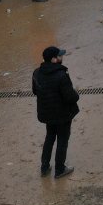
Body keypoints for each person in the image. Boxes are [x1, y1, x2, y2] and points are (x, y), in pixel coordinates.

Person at [32, 46, 78, 178]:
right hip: (62, 114)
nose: (61, 57)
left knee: (50, 137)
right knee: (62, 140)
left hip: (47, 114)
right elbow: (70, 97)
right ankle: (60, 169)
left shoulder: (37, 72)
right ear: (53, 60)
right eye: (59, 56)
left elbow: (36, 91)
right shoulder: (61, 75)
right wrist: (76, 95)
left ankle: (44, 167)